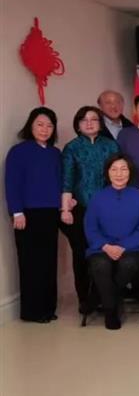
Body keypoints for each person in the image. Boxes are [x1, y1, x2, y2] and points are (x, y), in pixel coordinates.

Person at [4, 107, 62, 323]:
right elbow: (12, 183)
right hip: (27, 214)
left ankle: (48, 308)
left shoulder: (55, 153)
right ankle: (32, 312)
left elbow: (59, 182)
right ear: (30, 125)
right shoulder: (19, 152)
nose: (44, 129)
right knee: (31, 263)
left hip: (51, 213)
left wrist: (66, 202)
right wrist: (17, 211)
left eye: (49, 125)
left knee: (49, 261)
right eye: (40, 124)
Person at [61, 106, 119, 313]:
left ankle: (103, 297)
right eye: (84, 120)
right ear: (78, 124)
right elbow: (67, 181)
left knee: (107, 252)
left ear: (100, 124)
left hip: (108, 208)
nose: (89, 123)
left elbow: (119, 176)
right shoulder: (72, 147)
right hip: (80, 209)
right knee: (82, 253)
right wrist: (65, 209)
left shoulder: (111, 145)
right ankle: (84, 299)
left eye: (94, 119)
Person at [84, 154, 139, 330]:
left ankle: (100, 296)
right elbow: (91, 228)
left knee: (128, 264)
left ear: (130, 172)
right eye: (114, 169)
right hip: (101, 248)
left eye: (123, 169)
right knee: (101, 265)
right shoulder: (97, 197)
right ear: (107, 172)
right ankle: (111, 311)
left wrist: (123, 246)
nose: (119, 174)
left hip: (133, 248)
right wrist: (106, 246)